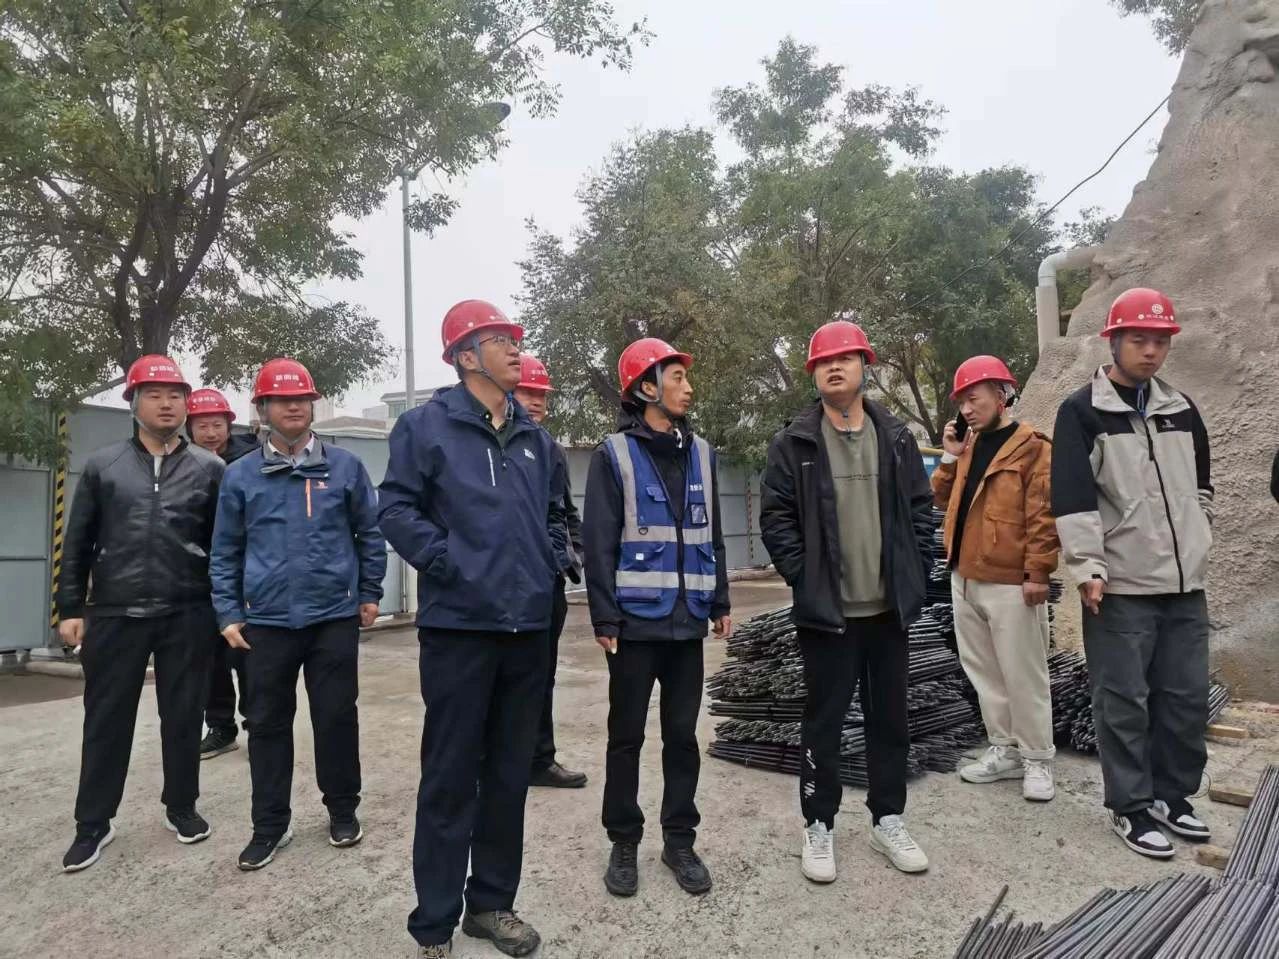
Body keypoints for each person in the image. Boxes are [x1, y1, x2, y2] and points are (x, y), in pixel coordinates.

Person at [379, 300, 569, 959]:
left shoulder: (534, 436)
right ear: (465, 356)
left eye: (517, 339)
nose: (516, 349)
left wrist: (548, 563)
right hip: (459, 629)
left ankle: (490, 905)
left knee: (509, 776)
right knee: (450, 777)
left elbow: (555, 513)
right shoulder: (424, 428)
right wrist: (447, 562)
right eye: (499, 340)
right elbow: (395, 508)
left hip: (527, 628)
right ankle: (433, 923)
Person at [759, 320, 933, 882]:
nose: (835, 367)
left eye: (846, 358)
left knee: (890, 721)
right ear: (813, 373)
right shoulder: (794, 444)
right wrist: (804, 578)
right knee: (824, 723)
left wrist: (914, 571)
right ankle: (819, 824)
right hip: (829, 615)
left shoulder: (896, 437)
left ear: (864, 367)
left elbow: (921, 511)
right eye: (824, 362)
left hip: (888, 611)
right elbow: (777, 520)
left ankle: (888, 819)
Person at [1052, 287, 1214, 859]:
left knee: (1186, 698)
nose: (1150, 351)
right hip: (1120, 587)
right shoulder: (1082, 413)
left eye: (1160, 341)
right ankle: (1131, 806)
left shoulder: (1182, 410)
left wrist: (1198, 539)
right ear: (1114, 341)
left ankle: (1173, 796)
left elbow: (1201, 488)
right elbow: (1073, 499)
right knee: (1123, 702)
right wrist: (1088, 568)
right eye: (1139, 340)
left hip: (1184, 587)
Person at [209, 358, 386, 871]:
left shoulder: (345, 467)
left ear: (312, 406)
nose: (293, 407)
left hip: (333, 617)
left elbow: (369, 534)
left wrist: (369, 591)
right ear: (262, 409)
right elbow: (225, 550)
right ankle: (270, 826)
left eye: (302, 399)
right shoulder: (240, 476)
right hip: (265, 623)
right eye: (281, 400)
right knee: (266, 724)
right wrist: (228, 612)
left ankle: (342, 811)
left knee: (336, 717)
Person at [58, 355, 225, 872]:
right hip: (114, 611)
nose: (166, 404)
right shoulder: (103, 465)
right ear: (133, 403)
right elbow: (78, 542)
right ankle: (93, 823)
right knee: (106, 720)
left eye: (175, 395)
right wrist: (70, 607)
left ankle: (182, 807)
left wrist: (224, 609)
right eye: (154, 395)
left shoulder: (209, 469)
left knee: (184, 716)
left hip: (187, 610)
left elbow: (224, 546)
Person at [582, 338, 732, 900]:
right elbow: (598, 542)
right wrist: (604, 617)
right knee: (625, 738)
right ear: (647, 387)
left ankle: (679, 841)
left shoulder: (703, 454)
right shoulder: (614, 455)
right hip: (634, 626)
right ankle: (624, 841)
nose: (688, 388)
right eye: (677, 377)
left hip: (687, 623)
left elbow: (713, 533)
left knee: (682, 739)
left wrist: (720, 601)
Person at [932, 356, 1059, 802]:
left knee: (1024, 674)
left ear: (1002, 395)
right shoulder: (969, 447)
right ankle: (1004, 750)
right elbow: (939, 498)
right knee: (985, 672)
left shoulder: (1033, 447)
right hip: (965, 576)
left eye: (974, 398)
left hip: (1011, 581)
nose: (967, 409)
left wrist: (1038, 572)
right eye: (961, 403)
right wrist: (950, 456)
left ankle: (1037, 758)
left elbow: (1043, 515)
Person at [512, 353, 589, 790]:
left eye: (542, 393)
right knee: (499, 677)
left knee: (543, 674)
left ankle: (540, 760)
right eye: (528, 391)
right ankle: (492, 763)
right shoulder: (484, 447)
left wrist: (573, 556)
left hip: (546, 582)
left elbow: (565, 510)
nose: (537, 400)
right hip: (501, 582)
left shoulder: (551, 449)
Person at [186, 387, 258, 760]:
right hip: (199, 577)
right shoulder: (183, 463)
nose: (211, 432)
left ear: (229, 425)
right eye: (202, 425)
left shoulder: (252, 461)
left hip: (244, 576)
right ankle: (220, 727)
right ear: (189, 428)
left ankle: (257, 724)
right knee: (210, 658)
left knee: (247, 654)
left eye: (217, 424)